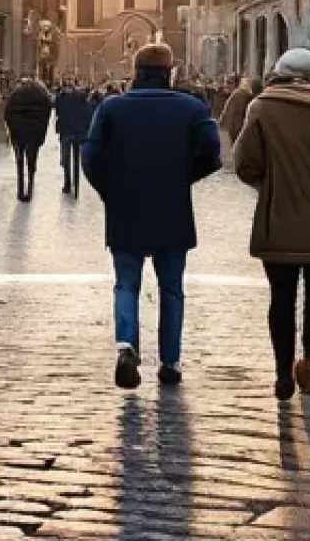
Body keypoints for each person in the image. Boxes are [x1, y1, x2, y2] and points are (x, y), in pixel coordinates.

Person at [82, 43, 221, 389]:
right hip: (172, 205)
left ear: (135, 71)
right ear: (170, 72)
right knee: (171, 288)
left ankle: (127, 345)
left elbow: (91, 156)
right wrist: (182, 177)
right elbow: (212, 153)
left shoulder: (112, 107)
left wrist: (110, 191)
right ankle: (170, 361)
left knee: (126, 283)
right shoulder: (192, 107)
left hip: (126, 205)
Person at [233, 48, 310, 401]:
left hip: (277, 221)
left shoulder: (260, 109)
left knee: (281, 299)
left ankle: (281, 373)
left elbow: (245, 164)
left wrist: (269, 185)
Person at [4, 77, 53, 202]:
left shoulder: (15, 94)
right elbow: (47, 112)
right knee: (32, 160)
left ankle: (20, 189)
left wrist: (12, 128)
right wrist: (41, 131)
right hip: (34, 134)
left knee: (19, 161)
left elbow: (7, 113)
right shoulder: (42, 95)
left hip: (18, 132)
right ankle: (30, 186)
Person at [54, 80, 92, 197]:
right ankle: (71, 181)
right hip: (76, 132)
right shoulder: (80, 97)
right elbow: (87, 113)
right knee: (71, 157)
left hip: (67, 131)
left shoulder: (60, 98)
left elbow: (58, 113)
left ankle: (68, 182)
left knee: (66, 158)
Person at [219, 77, 253, 141]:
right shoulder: (246, 95)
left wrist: (222, 120)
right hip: (238, 124)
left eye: (229, 83)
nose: (226, 86)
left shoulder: (237, 94)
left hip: (236, 124)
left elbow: (228, 108)